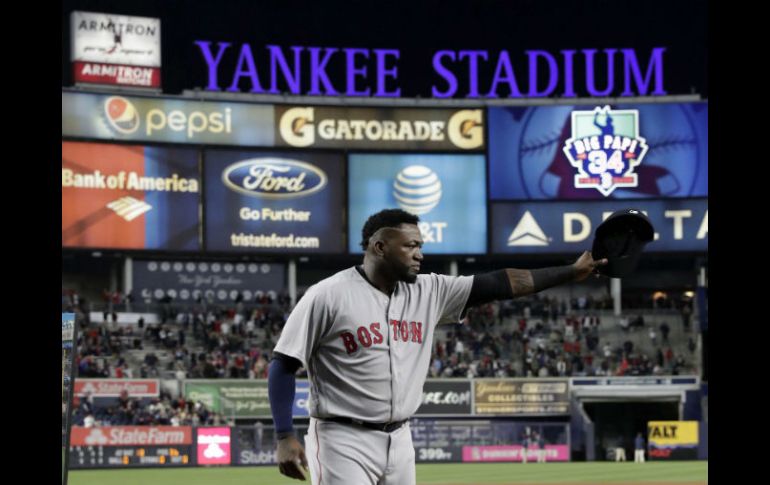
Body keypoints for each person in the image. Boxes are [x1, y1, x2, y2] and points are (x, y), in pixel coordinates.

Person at [268, 209, 607, 483]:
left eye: (420, 245)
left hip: (400, 438)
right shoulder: (328, 295)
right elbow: (283, 363)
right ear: (379, 247)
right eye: (410, 245)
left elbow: (502, 283)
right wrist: (284, 435)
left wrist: (570, 272)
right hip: (342, 438)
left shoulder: (429, 290)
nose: (420, 254)